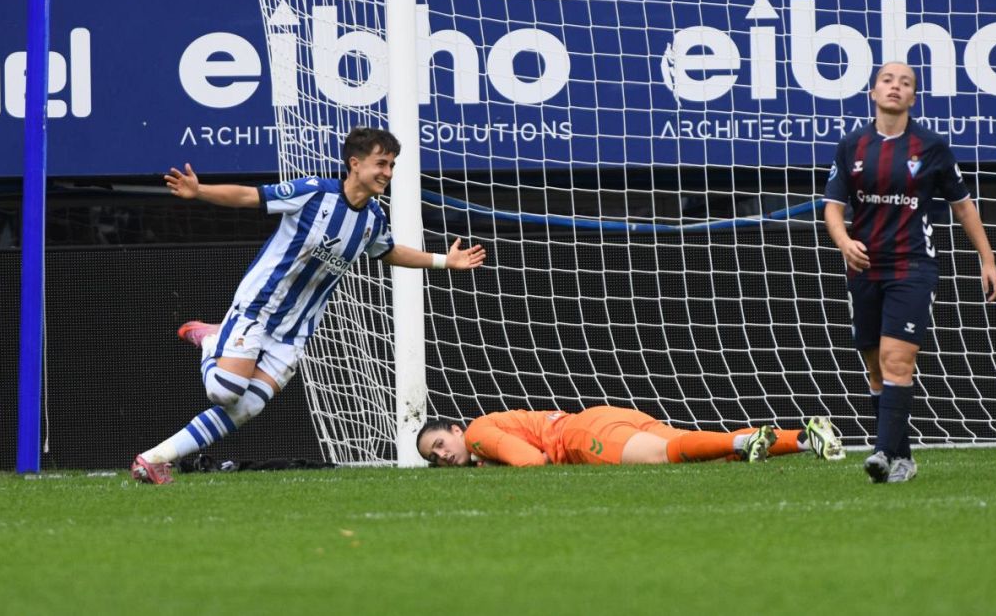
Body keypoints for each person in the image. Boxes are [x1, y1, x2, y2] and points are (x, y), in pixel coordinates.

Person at [130, 126, 487, 484]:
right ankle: (211, 341)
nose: (387, 173)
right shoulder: (314, 193)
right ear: (355, 164)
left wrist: (444, 261)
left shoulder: (373, 219)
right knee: (225, 391)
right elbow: (249, 196)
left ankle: (153, 459)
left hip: (295, 333)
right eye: (381, 163)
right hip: (259, 310)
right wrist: (199, 191)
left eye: (392, 165)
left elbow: (389, 251)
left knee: (247, 407)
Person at [823, 61, 996, 485]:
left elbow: (962, 205)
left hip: (913, 266)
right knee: (874, 366)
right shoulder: (852, 145)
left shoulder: (931, 146)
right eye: (887, 80)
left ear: (913, 97)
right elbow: (832, 207)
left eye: (905, 83)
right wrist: (845, 242)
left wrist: (988, 259)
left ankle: (882, 452)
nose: (895, 87)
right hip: (865, 268)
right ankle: (903, 456)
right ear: (872, 91)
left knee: (897, 359)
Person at [416, 407, 844, 467]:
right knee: (695, 452)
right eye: (434, 459)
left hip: (583, 436)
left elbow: (534, 463)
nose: (443, 457)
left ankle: (740, 442)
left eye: (439, 446)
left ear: (455, 430)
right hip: (606, 416)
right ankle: (806, 438)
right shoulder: (488, 427)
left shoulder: (475, 434)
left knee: (666, 455)